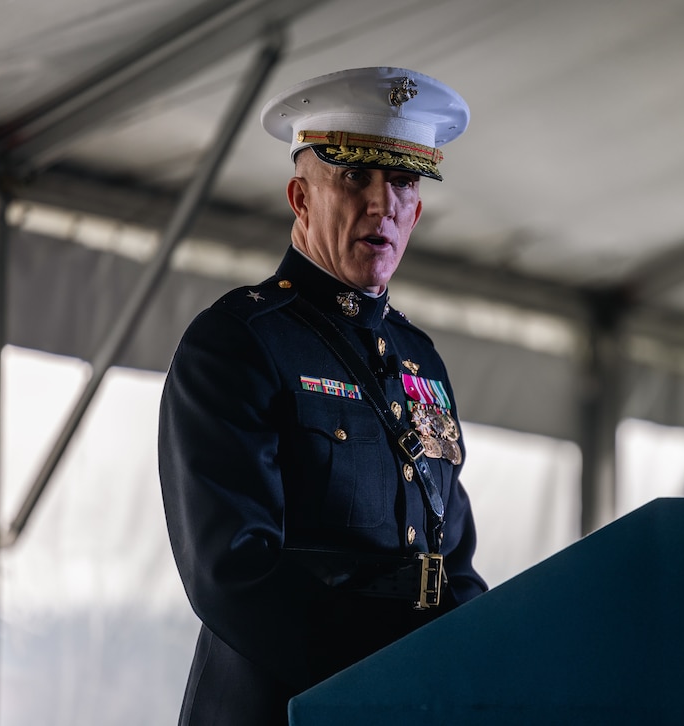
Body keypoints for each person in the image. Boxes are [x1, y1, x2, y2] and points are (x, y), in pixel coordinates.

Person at [158, 66, 488, 725]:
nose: (380, 204)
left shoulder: (420, 359)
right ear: (300, 198)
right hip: (285, 706)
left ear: (417, 211)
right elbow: (231, 571)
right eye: (354, 177)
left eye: (401, 182)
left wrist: (498, 659)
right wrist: (384, 682)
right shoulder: (238, 343)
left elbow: (452, 564)